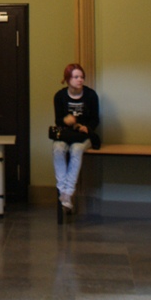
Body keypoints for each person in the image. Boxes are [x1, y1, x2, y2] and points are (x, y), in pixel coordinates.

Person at [52, 63, 101, 212]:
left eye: (82, 77)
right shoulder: (60, 96)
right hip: (66, 134)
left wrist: (87, 128)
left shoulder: (91, 95)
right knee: (57, 148)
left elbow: (95, 119)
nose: (80, 80)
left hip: (83, 136)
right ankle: (63, 191)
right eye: (76, 77)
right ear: (68, 79)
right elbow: (58, 120)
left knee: (76, 149)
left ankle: (68, 192)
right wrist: (65, 120)